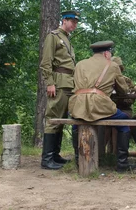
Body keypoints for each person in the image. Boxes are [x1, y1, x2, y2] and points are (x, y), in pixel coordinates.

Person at [68, 41, 135, 172]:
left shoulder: (80, 64)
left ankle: (78, 160)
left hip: (78, 104)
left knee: (77, 124)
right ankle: (122, 164)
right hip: (99, 105)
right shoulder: (112, 65)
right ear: (106, 53)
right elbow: (123, 91)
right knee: (124, 123)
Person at [39, 10, 80, 170]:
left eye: (76, 22)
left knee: (61, 120)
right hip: (58, 82)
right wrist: (50, 82)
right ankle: (47, 159)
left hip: (68, 82)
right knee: (53, 118)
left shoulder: (66, 39)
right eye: (72, 21)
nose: (74, 25)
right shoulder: (53, 37)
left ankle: (55, 155)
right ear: (64, 20)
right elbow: (46, 62)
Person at [104, 56, 135, 154]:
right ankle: (100, 154)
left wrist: (121, 99)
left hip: (124, 109)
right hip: (107, 109)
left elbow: (131, 99)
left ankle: (119, 154)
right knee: (103, 125)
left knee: (121, 120)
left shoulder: (127, 81)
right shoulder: (104, 81)